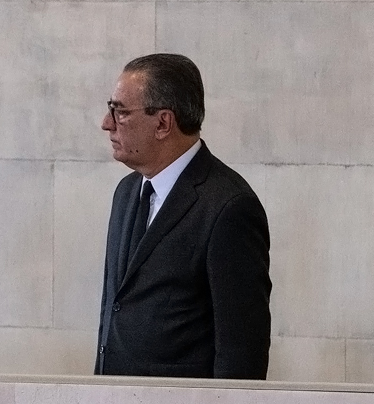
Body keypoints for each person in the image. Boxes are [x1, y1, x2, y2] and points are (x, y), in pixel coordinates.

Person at [97, 53, 271, 379]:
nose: (107, 123)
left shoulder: (229, 207)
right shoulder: (126, 192)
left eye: (120, 112)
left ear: (163, 122)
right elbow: (115, 313)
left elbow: (242, 352)